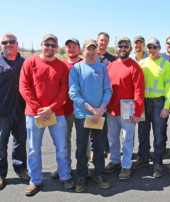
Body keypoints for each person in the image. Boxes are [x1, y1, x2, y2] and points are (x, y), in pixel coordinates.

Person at [19, 34, 75, 196]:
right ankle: (34, 180)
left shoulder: (62, 66)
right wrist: (38, 109)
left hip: (56, 114)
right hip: (33, 114)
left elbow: (64, 90)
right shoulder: (30, 62)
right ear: (41, 44)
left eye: (53, 45)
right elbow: (24, 87)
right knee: (34, 149)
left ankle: (65, 176)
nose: (50, 48)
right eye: (47, 44)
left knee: (62, 147)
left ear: (57, 48)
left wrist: (51, 108)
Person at [69, 39, 113, 192]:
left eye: (94, 49)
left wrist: (100, 108)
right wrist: (92, 109)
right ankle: (81, 176)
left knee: (99, 147)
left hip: (99, 114)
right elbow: (73, 93)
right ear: (83, 51)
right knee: (81, 148)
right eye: (89, 49)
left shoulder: (102, 68)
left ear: (96, 51)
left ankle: (99, 173)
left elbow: (108, 90)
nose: (91, 51)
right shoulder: (76, 68)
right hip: (82, 116)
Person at [132, 37, 170, 178]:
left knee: (159, 135)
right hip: (143, 103)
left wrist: (166, 106)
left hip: (159, 104)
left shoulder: (166, 64)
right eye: (149, 47)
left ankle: (157, 163)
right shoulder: (141, 63)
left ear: (159, 49)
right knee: (142, 133)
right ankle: (143, 158)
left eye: (154, 47)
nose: (151, 50)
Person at [104, 37, 145, 180]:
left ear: (130, 49)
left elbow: (139, 92)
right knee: (112, 138)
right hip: (111, 110)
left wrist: (138, 112)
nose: (122, 49)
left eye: (125, 46)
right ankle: (115, 161)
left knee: (127, 139)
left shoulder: (135, 67)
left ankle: (126, 165)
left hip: (128, 110)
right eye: (120, 46)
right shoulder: (110, 66)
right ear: (116, 48)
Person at [0, 33, 29, 190]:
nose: (8, 44)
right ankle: (0, 174)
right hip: (2, 112)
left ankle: (21, 168)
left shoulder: (25, 63)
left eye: (11, 42)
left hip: (21, 110)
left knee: (20, 141)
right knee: (0, 143)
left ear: (17, 44)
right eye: (5, 42)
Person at [51, 38, 83, 179]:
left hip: (82, 109)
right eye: (68, 47)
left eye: (74, 46)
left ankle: (83, 168)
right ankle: (64, 167)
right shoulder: (61, 64)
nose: (71, 49)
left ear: (79, 48)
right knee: (64, 140)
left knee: (83, 141)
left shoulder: (85, 63)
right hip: (65, 109)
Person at [92, 32, 117, 160]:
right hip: (93, 96)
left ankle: (107, 149)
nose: (103, 42)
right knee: (94, 122)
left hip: (107, 96)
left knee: (107, 124)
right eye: (101, 40)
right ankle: (93, 149)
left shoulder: (112, 59)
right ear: (97, 41)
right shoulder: (92, 56)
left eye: (106, 41)